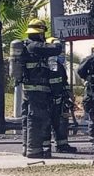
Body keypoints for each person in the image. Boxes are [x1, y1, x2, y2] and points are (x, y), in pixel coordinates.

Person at [20, 19, 62, 159]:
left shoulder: (27, 45)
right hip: (37, 90)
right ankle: (34, 150)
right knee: (36, 118)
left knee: (28, 118)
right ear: (40, 32)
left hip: (28, 89)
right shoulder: (36, 46)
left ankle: (27, 148)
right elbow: (57, 49)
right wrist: (55, 41)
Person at [47, 37, 77, 154]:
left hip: (60, 99)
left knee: (62, 122)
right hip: (48, 100)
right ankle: (45, 147)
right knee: (46, 124)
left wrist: (68, 96)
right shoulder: (46, 65)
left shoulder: (59, 66)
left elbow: (64, 82)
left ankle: (62, 145)